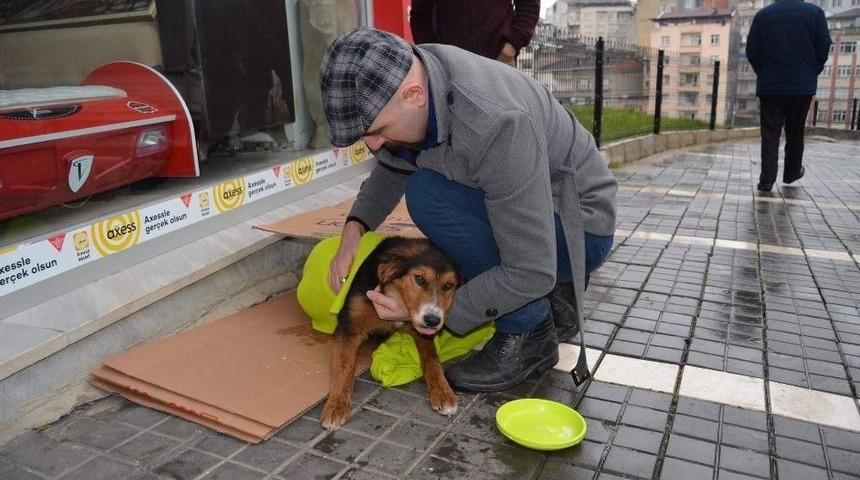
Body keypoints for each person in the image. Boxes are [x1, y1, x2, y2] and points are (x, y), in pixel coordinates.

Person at [320, 28, 617, 392]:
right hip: (535, 207)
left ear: (413, 96)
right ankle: (557, 293)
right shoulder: (418, 73)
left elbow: (529, 271)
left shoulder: (495, 124)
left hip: (578, 229)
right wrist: (354, 229)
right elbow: (394, 162)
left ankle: (529, 331)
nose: (372, 145)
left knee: (430, 198)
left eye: (377, 131)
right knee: (427, 185)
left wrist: (426, 312)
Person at [745, 0, 831, 192]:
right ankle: (792, 173)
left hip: (771, 85)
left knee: (770, 132)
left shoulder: (763, 16)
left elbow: (752, 50)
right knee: (795, 131)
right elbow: (824, 46)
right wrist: (811, 71)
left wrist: (764, 71)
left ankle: (767, 179)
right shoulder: (815, 13)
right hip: (801, 86)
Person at [409, 0, 540, 66]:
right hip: (449, 67)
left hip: (499, 60)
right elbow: (420, 15)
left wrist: (511, 45)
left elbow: (529, 5)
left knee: (507, 117)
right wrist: (434, 57)